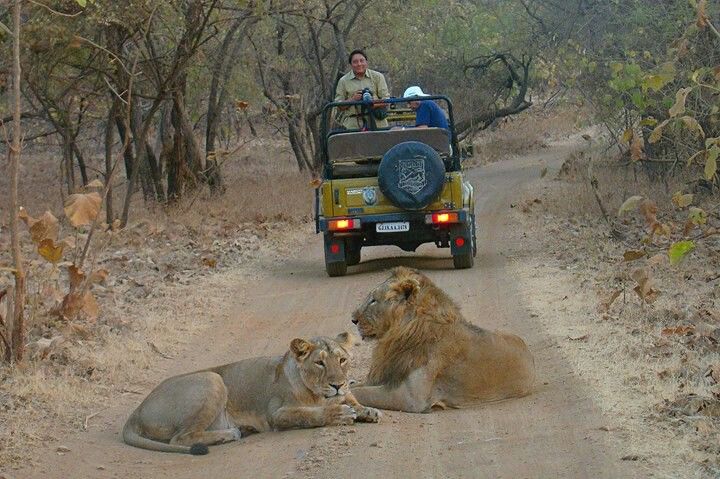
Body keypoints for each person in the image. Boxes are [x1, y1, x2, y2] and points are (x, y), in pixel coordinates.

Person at [334, 49, 390, 130]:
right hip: (354, 126)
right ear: (351, 64)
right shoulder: (343, 81)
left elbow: (387, 100)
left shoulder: (378, 77)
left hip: (378, 124)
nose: (359, 64)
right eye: (355, 62)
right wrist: (353, 99)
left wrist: (371, 102)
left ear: (366, 62)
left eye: (362, 61)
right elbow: (338, 105)